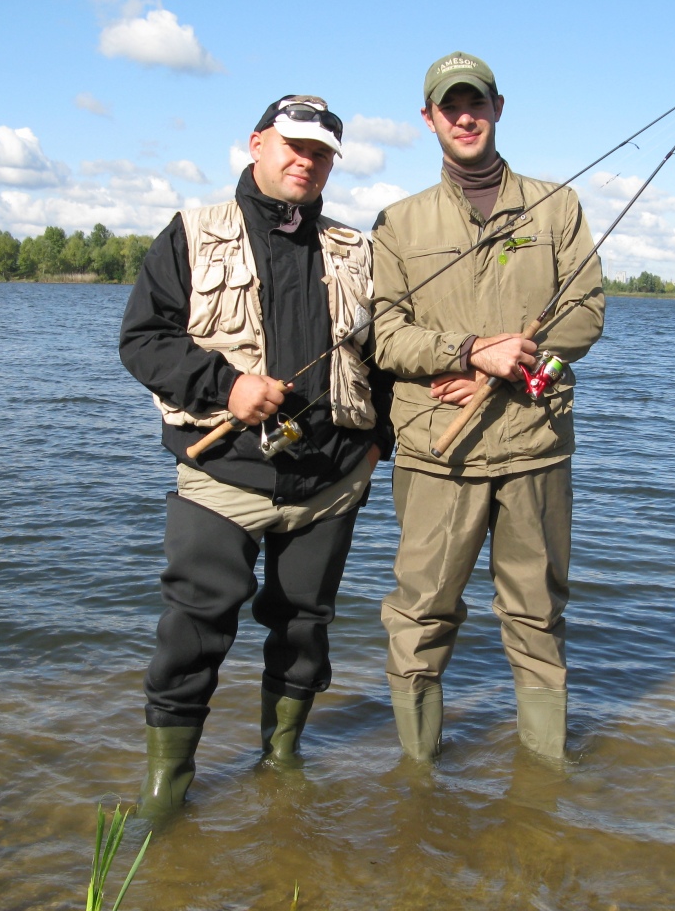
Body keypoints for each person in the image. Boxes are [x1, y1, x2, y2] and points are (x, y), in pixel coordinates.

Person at [120, 95, 392, 819]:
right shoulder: (189, 232)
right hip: (221, 477)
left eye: (322, 153)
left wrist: (377, 449)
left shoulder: (358, 250)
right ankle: (166, 789)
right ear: (257, 144)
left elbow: (388, 362)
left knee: (304, 627)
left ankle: (282, 760)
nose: (307, 161)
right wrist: (227, 386)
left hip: (331, 483)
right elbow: (143, 341)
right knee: (192, 631)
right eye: (294, 145)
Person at [370, 53, 604, 762]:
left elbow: (586, 313)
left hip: (536, 445)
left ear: (498, 108)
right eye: (450, 106)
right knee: (420, 617)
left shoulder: (557, 206)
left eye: (476, 103)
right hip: (437, 452)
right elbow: (384, 335)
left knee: (538, 616)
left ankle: (545, 774)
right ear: (429, 119)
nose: (464, 117)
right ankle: (418, 783)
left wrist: (512, 373)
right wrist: (470, 352)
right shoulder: (399, 223)